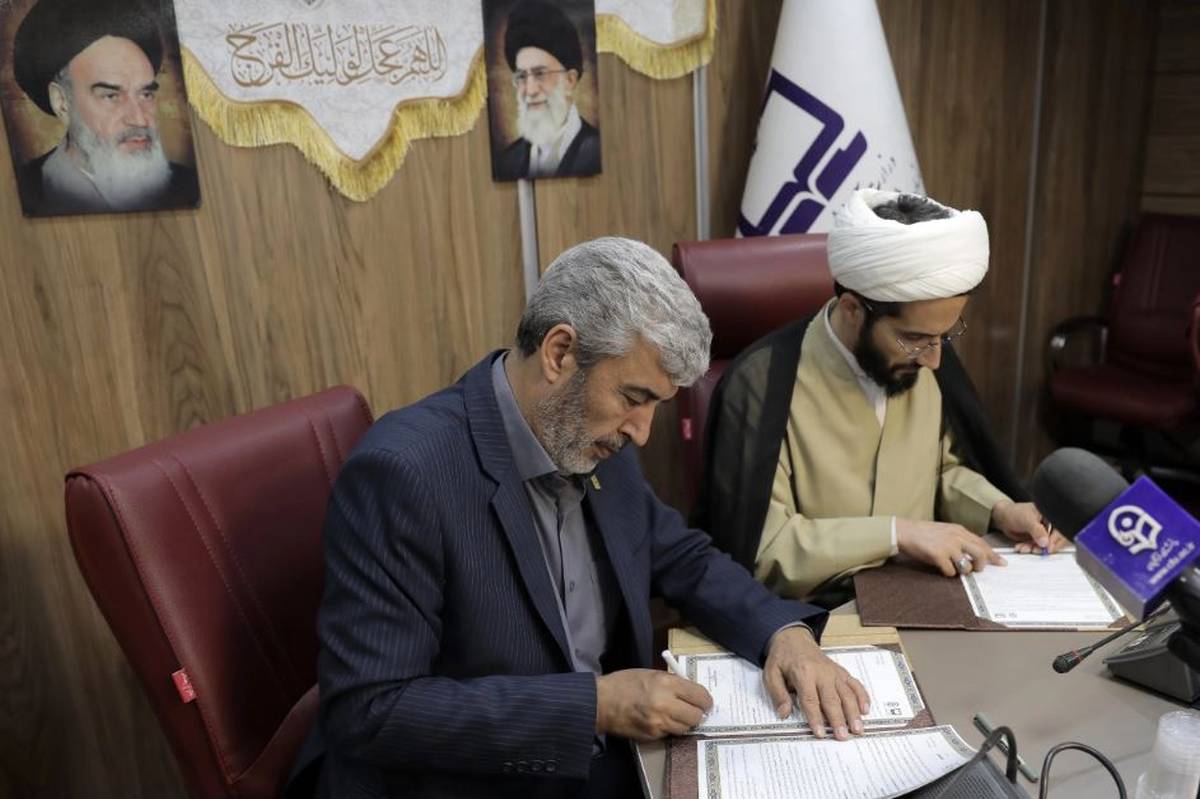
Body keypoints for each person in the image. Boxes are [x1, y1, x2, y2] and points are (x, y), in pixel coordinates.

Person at [305, 237, 870, 798]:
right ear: (560, 353)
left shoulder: (590, 436)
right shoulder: (405, 474)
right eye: (634, 397)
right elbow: (371, 710)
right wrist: (596, 707)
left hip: (610, 762)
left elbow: (681, 556)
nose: (642, 432)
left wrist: (783, 634)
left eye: (656, 405)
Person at [696, 190, 1068, 603]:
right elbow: (764, 550)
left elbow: (939, 471)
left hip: (927, 595)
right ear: (853, 309)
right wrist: (896, 534)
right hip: (814, 614)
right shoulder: (762, 386)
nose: (934, 360)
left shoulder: (924, 358)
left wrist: (999, 508)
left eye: (945, 336)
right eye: (915, 339)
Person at [11, 0, 199, 216]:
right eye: (111, 96)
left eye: (145, 94)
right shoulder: (23, 190)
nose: (139, 119)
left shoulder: (186, 185)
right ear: (62, 102)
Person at [493, 0, 601, 181]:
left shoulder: (597, 151)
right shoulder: (508, 161)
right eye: (521, 76)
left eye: (540, 74)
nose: (530, 90)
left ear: (569, 80)